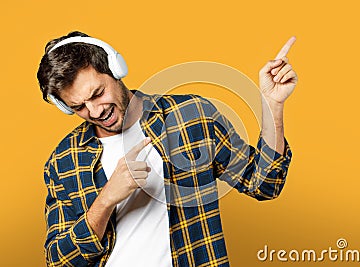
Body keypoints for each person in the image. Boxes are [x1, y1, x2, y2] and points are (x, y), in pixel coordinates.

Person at [37, 31, 296, 267]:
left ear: (115, 70)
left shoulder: (191, 115)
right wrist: (105, 200)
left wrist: (272, 105)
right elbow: (59, 262)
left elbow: (265, 184)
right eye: (78, 107)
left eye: (97, 94)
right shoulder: (63, 161)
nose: (95, 111)